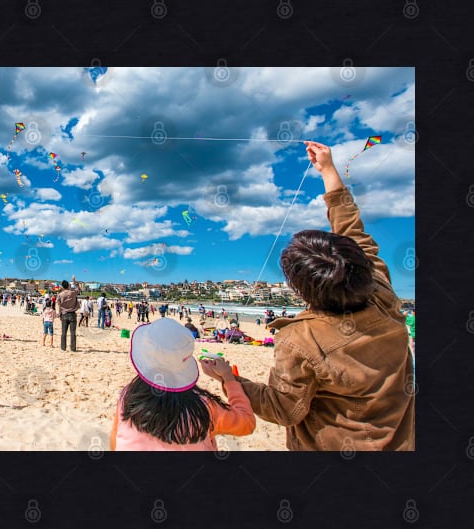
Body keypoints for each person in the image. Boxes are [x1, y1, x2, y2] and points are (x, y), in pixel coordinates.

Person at [222, 141, 414, 451]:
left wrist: (229, 380)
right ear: (360, 266)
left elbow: (283, 409)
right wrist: (328, 170)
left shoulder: (301, 339)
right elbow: (353, 231)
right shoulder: (381, 292)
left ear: (301, 291)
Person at [110, 317, 256, 450]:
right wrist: (228, 378)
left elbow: (114, 441)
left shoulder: (128, 396)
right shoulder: (203, 406)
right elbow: (246, 423)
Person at [56, 280, 80, 351]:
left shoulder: (60, 295)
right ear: (68, 286)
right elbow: (78, 289)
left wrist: (59, 314)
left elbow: (59, 305)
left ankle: (63, 348)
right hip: (72, 314)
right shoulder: (72, 293)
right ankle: (73, 348)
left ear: (62, 286)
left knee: (63, 332)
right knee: (73, 333)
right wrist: (74, 281)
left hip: (64, 314)